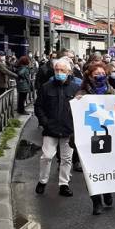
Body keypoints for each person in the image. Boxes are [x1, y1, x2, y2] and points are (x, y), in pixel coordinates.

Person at [34, 58, 80, 198]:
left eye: (62, 70)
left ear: (68, 72)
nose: (59, 72)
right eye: (56, 70)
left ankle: (64, 184)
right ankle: (42, 181)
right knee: (47, 156)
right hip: (50, 129)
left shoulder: (76, 88)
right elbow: (38, 106)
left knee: (67, 159)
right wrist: (45, 122)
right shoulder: (46, 87)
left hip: (68, 130)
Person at [77, 62, 115, 215]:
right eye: (96, 74)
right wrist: (77, 102)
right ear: (89, 76)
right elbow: (74, 113)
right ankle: (96, 202)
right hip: (90, 136)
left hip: (108, 134)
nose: (100, 76)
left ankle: (107, 191)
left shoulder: (111, 91)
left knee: (107, 167)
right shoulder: (82, 93)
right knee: (91, 170)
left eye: (102, 74)